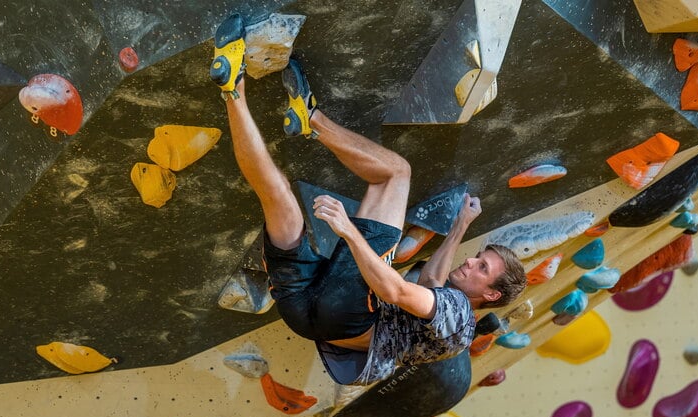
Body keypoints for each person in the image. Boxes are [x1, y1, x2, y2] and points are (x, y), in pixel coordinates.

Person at [212, 14, 526, 386]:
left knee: (395, 174)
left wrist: (349, 231)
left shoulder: (458, 314)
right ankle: (232, 88)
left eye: (482, 269)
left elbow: (393, 290)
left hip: (349, 312)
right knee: (277, 195)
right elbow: (432, 281)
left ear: (490, 294)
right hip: (302, 315)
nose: (471, 262)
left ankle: (311, 117)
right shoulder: (452, 329)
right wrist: (460, 227)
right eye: (480, 258)